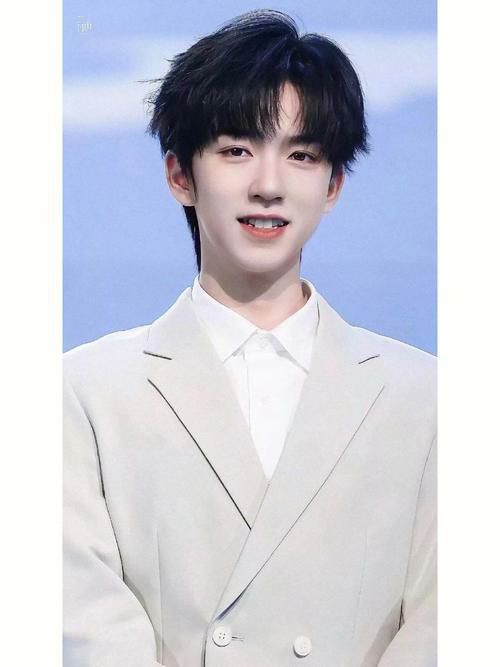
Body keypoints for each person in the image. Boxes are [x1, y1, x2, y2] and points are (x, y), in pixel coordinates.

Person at [64, 10, 436, 666]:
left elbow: (447, 621)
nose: (268, 184)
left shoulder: (427, 398)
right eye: (237, 150)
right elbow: (84, 619)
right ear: (180, 175)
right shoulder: (83, 394)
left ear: (333, 184)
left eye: (301, 155)